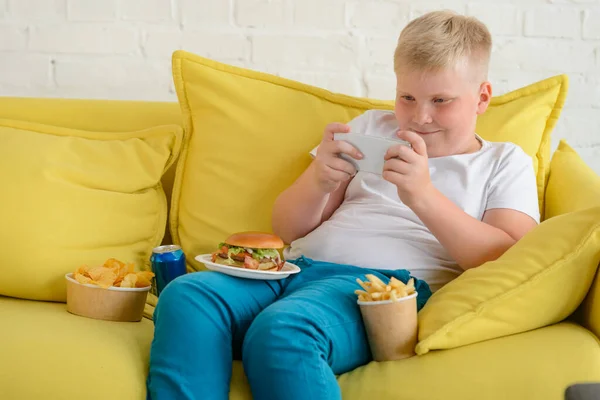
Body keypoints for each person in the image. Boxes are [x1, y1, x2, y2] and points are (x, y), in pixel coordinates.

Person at [146, 10, 540, 400]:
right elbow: (288, 230)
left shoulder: (503, 162)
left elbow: (509, 257)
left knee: (284, 330)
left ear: (482, 97)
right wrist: (319, 178)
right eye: (407, 97)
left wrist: (423, 196)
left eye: (441, 100)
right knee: (187, 295)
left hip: (383, 288)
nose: (420, 116)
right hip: (295, 269)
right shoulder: (371, 128)